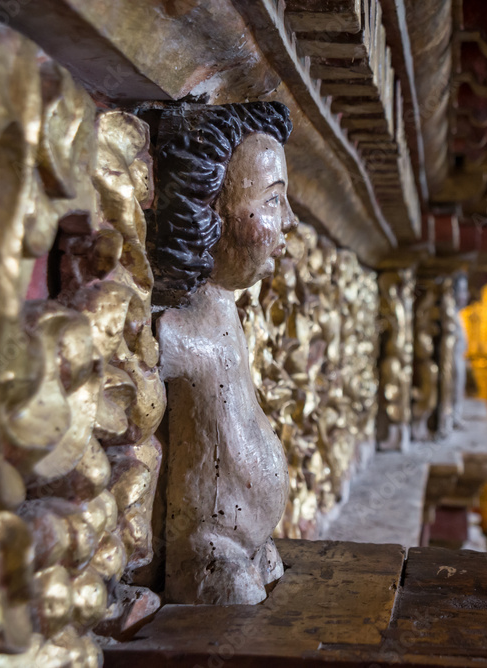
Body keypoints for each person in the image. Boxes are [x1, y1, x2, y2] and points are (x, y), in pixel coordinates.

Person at [151, 102, 296, 604]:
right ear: (212, 209)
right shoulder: (179, 326)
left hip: (257, 542)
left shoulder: (226, 307)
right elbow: (150, 350)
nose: (291, 220)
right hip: (213, 552)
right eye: (274, 201)